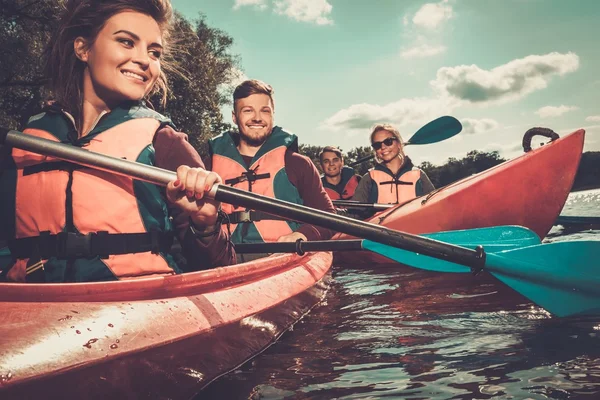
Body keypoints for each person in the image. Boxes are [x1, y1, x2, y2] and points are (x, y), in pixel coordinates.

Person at [0, 0, 235, 283]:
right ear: (83, 48)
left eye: (154, 52)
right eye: (126, 42)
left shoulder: (165, 142)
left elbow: (221, 270)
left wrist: (206, 224)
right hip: (34, 305)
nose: (145, 60)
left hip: (138, 306)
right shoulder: (27, 139)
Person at [205, 79, 335, 260]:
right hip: (225, 258)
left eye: (264, 111)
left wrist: (301, 236)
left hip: (284, 258)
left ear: (273, 115)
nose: (257, 118)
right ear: (234, 117)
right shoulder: (208, 166)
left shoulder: (298, 164)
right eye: (248, 110)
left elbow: (329, 218)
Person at [351, 123, 435, 218]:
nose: (383, 147)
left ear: (399, 144)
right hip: (381, 231)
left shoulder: (419, 175)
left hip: (414, 230)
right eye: (377, 145)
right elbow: (354, 213)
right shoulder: (369, 178)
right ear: (375, 151)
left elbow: (435, 207)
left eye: (388, 141)